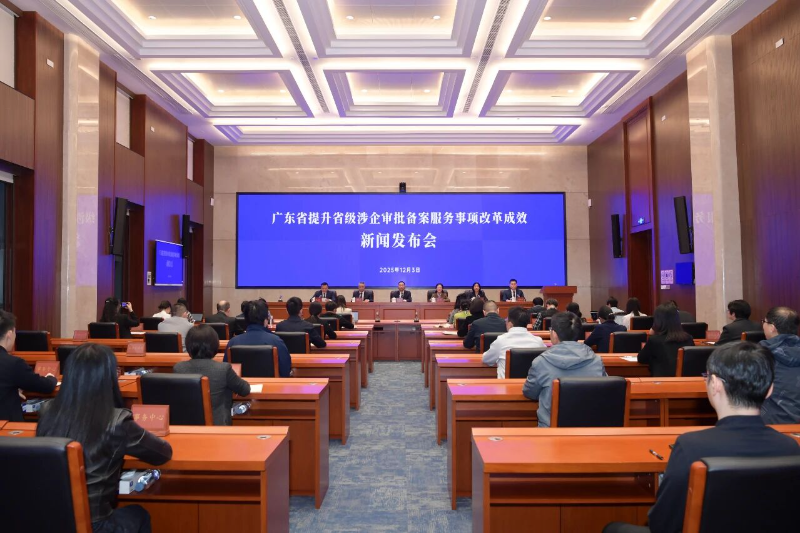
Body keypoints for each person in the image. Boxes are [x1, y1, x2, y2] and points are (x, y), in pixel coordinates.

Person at [603, 342, 800, 533]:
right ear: (770, 390)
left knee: (612, 528)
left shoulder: (690, 447)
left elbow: (662, 523)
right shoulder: (790, 448)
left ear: (714, 384)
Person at [36, 343, 173, 532]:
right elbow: (162, 454)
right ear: (108, 378)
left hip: (49, 520)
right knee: (139, 514)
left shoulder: (47, 411)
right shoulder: (116, 421)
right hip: (96, 525)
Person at [522, 312, 607, 427]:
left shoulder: (540, 362)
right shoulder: (596, 361)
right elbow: (604, 392)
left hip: (550, 430)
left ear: (554, 334)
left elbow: (530, 392)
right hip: (588, 430)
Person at [174, 325, 250, 426]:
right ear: (215, 345)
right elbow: (245, 390)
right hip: (218, 426)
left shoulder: (178, 368)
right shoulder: (223, 369)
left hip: (188, 426)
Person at [0, 310, 57, 421]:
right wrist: (51, 378)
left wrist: (10, 390)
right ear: (9, 334)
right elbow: (46, 387)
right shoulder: (14, 364)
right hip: (8, 428)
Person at [227, 300, 292, 376]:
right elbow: (285, 371)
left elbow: (227, 372)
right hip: (270, 383)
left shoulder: (233, 343)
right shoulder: (277, 341)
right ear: (266, 321)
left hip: (240, 383)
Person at [759, 306, 800, 424]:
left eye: (764, 322)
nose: (763, 325)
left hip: (771, 423)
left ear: (772, 328)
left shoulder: (760, 353)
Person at [482, 307, 546, 378]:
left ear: (510, 324)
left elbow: (486, 359)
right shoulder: (538, 341)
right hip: (532, 384)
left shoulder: (501, 340)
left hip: (506, 384)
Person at [637, 303, 694, 377]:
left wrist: (652, 334)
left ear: (658, 321)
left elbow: (641, 359)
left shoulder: (654, 340)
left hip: (661, 382)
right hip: (686, 381)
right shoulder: (688, 338)